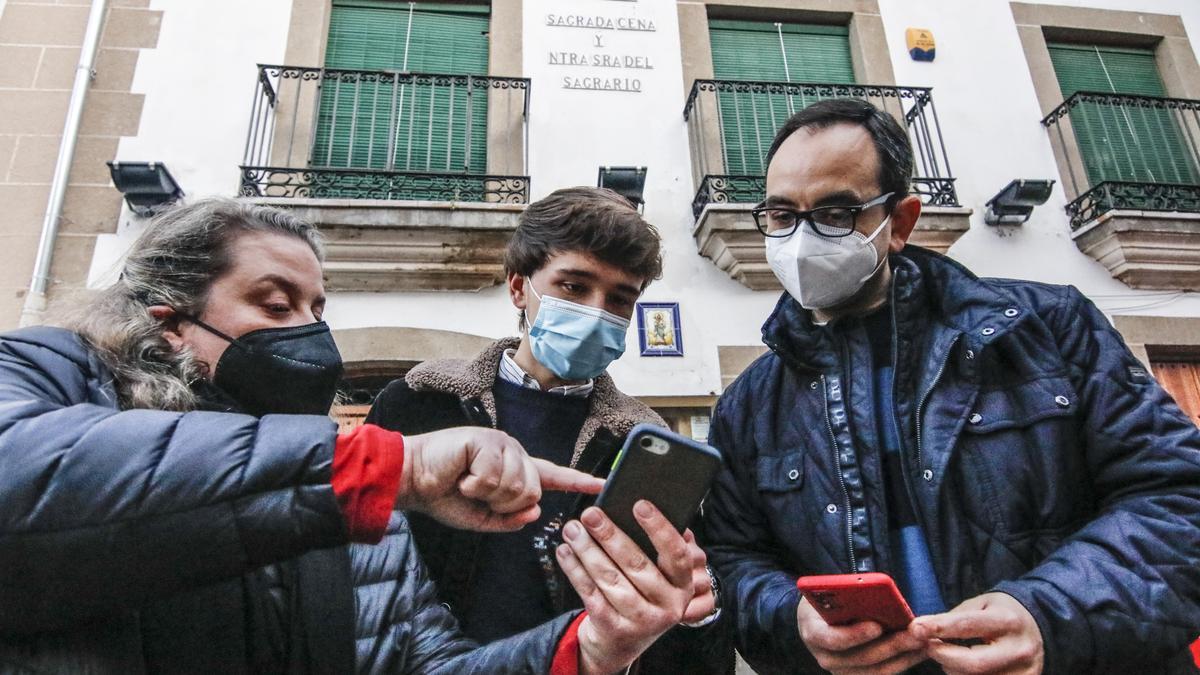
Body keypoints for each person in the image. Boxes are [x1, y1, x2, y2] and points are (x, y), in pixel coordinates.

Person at [0, 197, 700, 674]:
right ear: (168, 319)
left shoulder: (361, 510)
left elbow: (425, 662)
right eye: (277, 304)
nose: (310, 332)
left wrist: (593, 647)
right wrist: (387, 467)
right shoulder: (56, 371)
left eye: (318, 308)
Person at [702, 98, 1200, 674]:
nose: (803, 238)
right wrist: (793, 619)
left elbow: (1178, 499)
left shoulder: (1049, 329)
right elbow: (733, 562)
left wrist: (1050, 614)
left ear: (901, 223)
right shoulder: (749, 405)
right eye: (783, 215)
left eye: (837, 213)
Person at [366, 187, 734, 673]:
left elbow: (680, 609)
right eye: (574, 287)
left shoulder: (644, 441)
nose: (597, 310)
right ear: (520, 288)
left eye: (620, 299)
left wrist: (697, 610)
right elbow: (353, 564)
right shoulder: (417, 403)